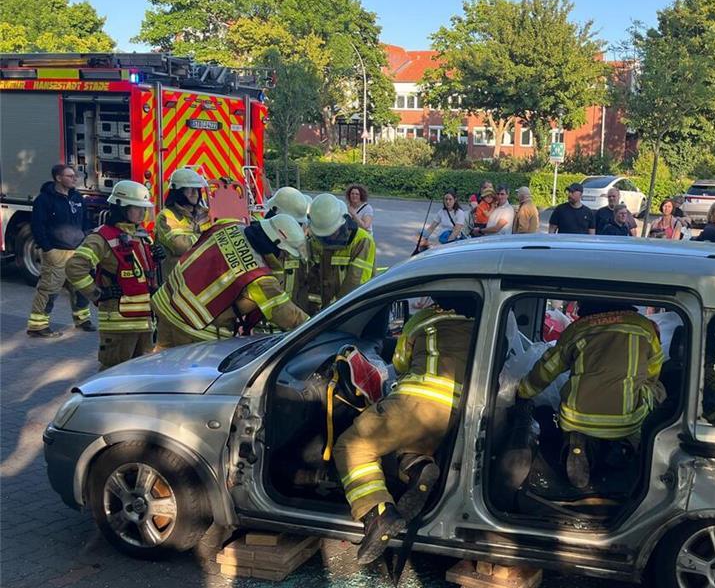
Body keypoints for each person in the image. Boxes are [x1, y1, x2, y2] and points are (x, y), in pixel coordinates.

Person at [331, 295, 476, 564]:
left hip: (417, 400)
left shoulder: (424, 319)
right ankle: (417, 466)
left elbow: (399, 363)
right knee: (407, 440)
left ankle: (377, 513)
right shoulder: (484, 325)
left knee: (352, 446)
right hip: (454, 414)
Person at [516, 300, 663, 489]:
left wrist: (523, 391)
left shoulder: (578, 328)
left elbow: (548, 368)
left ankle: (576, 443)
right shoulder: (644, 327)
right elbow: (654, 368)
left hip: (576, 419)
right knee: (658, 390)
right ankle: (628, 447)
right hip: (626, 420)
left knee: (574, 420)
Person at [152, 214, 309, 348]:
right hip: (194, 329)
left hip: (167, 304)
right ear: (274, 245)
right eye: (284, 252)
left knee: (160, 371)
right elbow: (287, 314)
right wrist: (319, 326)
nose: (283, 257)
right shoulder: (260, 278)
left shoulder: (228, 224)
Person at [65, 181, 160, 367]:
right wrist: (99, 294)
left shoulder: (141, 235)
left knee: (143, 374)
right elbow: (74, 267)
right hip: (118, 324)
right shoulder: (101, 237)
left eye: (144, 209)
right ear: (121, 207)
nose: (142, 213)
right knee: (113, 375)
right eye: (137, 208)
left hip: (144, 322)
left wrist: (156, 259)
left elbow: (141, 274)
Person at [26, 164, 93, 337]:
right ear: (58, 178)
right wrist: (48, 249)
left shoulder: (77, 197)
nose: (74, 179)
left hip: (77, 250)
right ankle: (38, 326)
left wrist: (84, 238)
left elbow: (85, 220)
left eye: (74, 176)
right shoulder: (44, 200)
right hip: (56, 252)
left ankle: (82, 319)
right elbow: (37, 226)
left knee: (80, 288)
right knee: (49, 290)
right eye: (70, 176)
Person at [299, 194, 377, 314]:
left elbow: (355, 282)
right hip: (328, 310)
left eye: (331, 231)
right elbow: (313, 277)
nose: (328, 237)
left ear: (343, 223)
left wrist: (331, 311)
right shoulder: (316, 239)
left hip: (353, 309)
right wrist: (313, 311)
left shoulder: (362, 241)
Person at [154, 167, 212, 281]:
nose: (195, 193)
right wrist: (210, 237)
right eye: (189, 189)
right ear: (178, 192)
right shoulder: (167, 216)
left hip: (201, 278)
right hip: (176, 281)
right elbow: (181, 247)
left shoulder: (207, 213)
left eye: (196, 189)